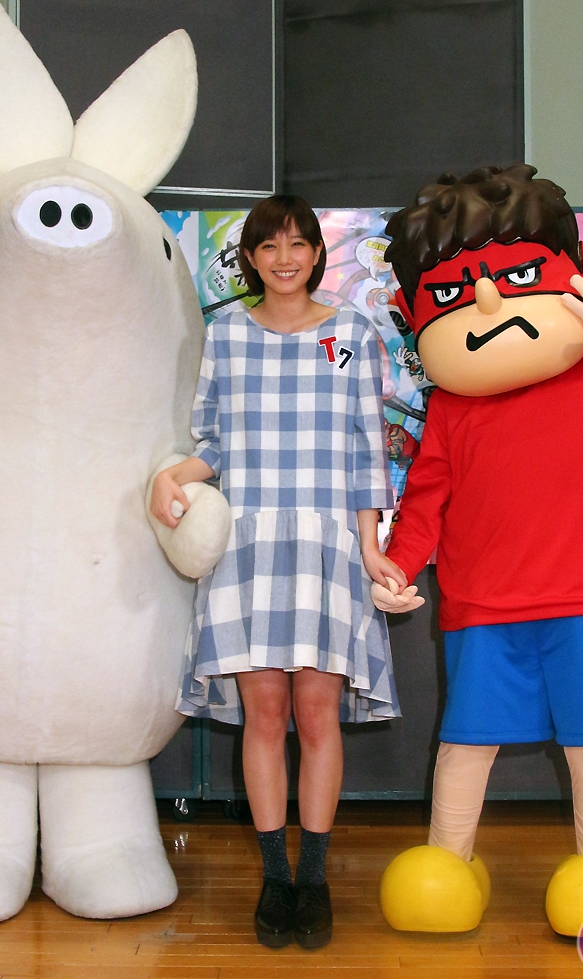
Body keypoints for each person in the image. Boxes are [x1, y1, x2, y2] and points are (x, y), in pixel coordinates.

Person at [373, 165, 583, 935]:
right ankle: (447, 864)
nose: (489, 301)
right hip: (485, 604)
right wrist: (398, 563)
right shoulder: (452, 410)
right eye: (455, 292)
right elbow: (425, 502)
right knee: (467, 742)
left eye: (518, 277)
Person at [150, 195, 407, 949]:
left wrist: (370, 546)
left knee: (317, 715)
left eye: (297, 244)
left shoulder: (351, 333)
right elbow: (213, 442)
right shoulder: (228, 334)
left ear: (317, 253)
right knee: (264, 716)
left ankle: (314, 878)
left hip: (329, 547)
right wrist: (172, 476)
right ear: (252, 258)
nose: (284, 258)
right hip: (250, 546)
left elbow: (368, 450)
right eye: (269, 246)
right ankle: (275, 877)